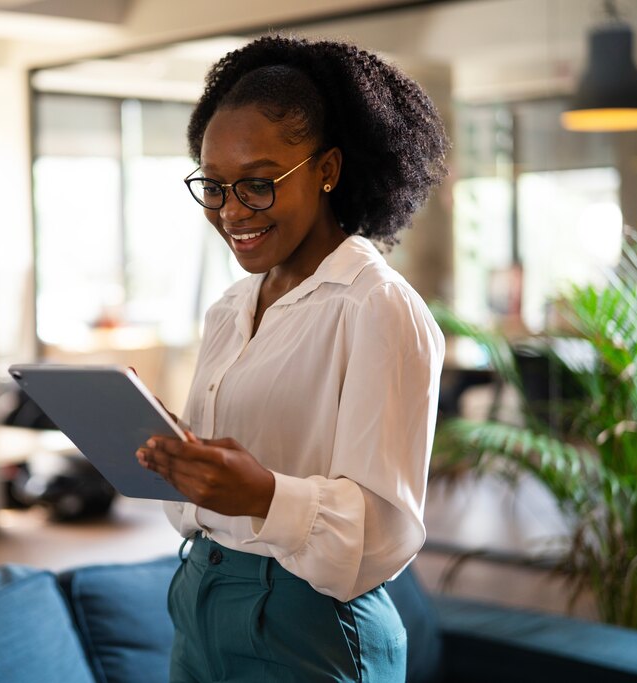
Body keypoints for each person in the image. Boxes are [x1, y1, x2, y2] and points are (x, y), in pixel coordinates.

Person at [134, 36, 448, 682]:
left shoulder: (375, 307)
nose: (230, 212)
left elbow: (383, 536)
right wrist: (182, 455)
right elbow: (210, 497)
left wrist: (265, 492)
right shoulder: (230, 307)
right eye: (214, 187)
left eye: (257, 183)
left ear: (327, 169)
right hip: (201, 595)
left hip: (309, 626)